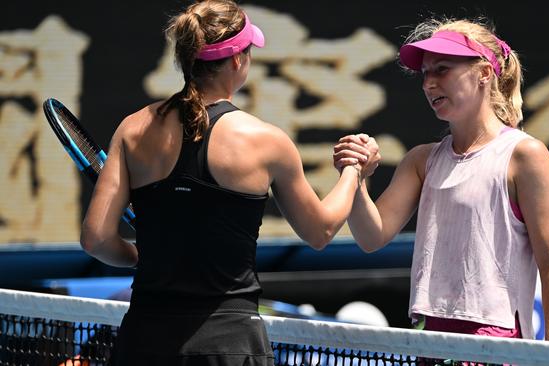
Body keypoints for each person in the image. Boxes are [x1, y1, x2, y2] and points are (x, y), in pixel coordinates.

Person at [79, 1, 378, 365]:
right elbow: (321, 232)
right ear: (238, 60)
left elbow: (96, 239)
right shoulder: (265, 140)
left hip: (143, 339)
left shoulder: (132, 128)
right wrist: (354, 170)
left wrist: (142, 257)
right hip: (229, 345)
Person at [334, 17, 549, 342]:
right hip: (428, 336)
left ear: (484, 74)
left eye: (442, 69)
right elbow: (371, 237)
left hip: (497, 338)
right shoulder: (421, 160)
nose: (428, 83)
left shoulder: (525, 155)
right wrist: (356, 179)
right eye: (425, 73)